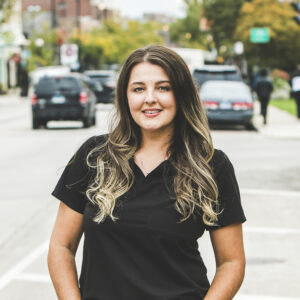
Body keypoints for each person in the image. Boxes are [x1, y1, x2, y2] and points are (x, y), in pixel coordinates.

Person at [48, 45, 246, 300]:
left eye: (163, 88)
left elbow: (231, 262)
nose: (149, 98)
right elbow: (61, 247)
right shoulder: (94, 156)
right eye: (138, 88)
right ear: (125, 96)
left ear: (182, 94)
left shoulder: (211, 165)